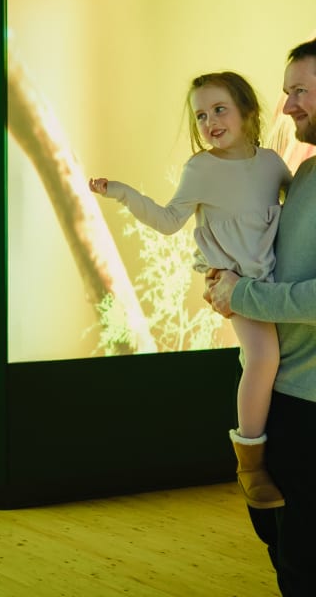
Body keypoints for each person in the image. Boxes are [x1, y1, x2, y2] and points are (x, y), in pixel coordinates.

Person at [88, 71, 292, 511]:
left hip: (275, 280)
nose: (210, 121)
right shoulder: (201, 169)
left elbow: (296, 212)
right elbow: (167, 220)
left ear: (247, 112)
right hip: (236, 283)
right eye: (201, 115)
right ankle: (250, 464)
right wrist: (122, 192)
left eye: (219, 109)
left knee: (278, 362)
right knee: (262, 358)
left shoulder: (273, 163)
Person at [205, 41, 316, 597]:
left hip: (312, 406)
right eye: (287, 89)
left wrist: (241, 294)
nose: (288, 104)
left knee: (303, 564)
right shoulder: (305, 173)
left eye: (300, 90)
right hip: (284, 400)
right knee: (279, 544)